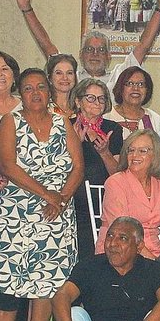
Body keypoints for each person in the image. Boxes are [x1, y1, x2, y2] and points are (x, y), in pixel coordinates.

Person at [0, 67, 82, 321]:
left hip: (56, 215)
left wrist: (61, 199)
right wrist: (47, 195)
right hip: (16, 215)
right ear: (20, 93)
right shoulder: (10, 122)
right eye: (28, 88)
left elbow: (78, 167)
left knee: (47, 278)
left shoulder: (62, 122)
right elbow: (7, 165)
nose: (36, 93)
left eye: (41, 87)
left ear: (49, 91)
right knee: (9, 279)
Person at [10, 0, 160, 85]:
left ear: (109, 56)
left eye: (101, 50)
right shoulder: (69, 77)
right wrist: (26, 8)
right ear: (80, 55)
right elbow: (46, 45)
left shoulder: (120, 77)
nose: (95, 54)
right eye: (89, 49)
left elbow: (143, 45)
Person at [101, 129, 160, 259]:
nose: (135, 155)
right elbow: (123, 231)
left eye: (142, 151)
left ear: (155, 154)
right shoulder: (115, 183)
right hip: (120, 252)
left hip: (156, 251)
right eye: (131, 150)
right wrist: (154, 262)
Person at [71, 76, 123, 257]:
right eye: (91, 98)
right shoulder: (67, 126)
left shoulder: (113, 129)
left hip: (105, 202)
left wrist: (105, 152)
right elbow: (61, 169)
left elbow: (118, 174)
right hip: (75, 203)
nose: (97, 103)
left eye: (101, 98)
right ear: (78, 101)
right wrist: (75, 145)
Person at [106, 65, 157, 134]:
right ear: (121, 88)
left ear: (147, 90)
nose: (136, 88)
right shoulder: (107, 117)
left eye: (141, 84)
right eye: (130, 83)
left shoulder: (154, 119)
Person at [45, 54, 78, 120]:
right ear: (50, 78)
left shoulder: (81, 107)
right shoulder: (44, 109)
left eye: (69, 73)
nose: (65, 78)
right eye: (59, 73)